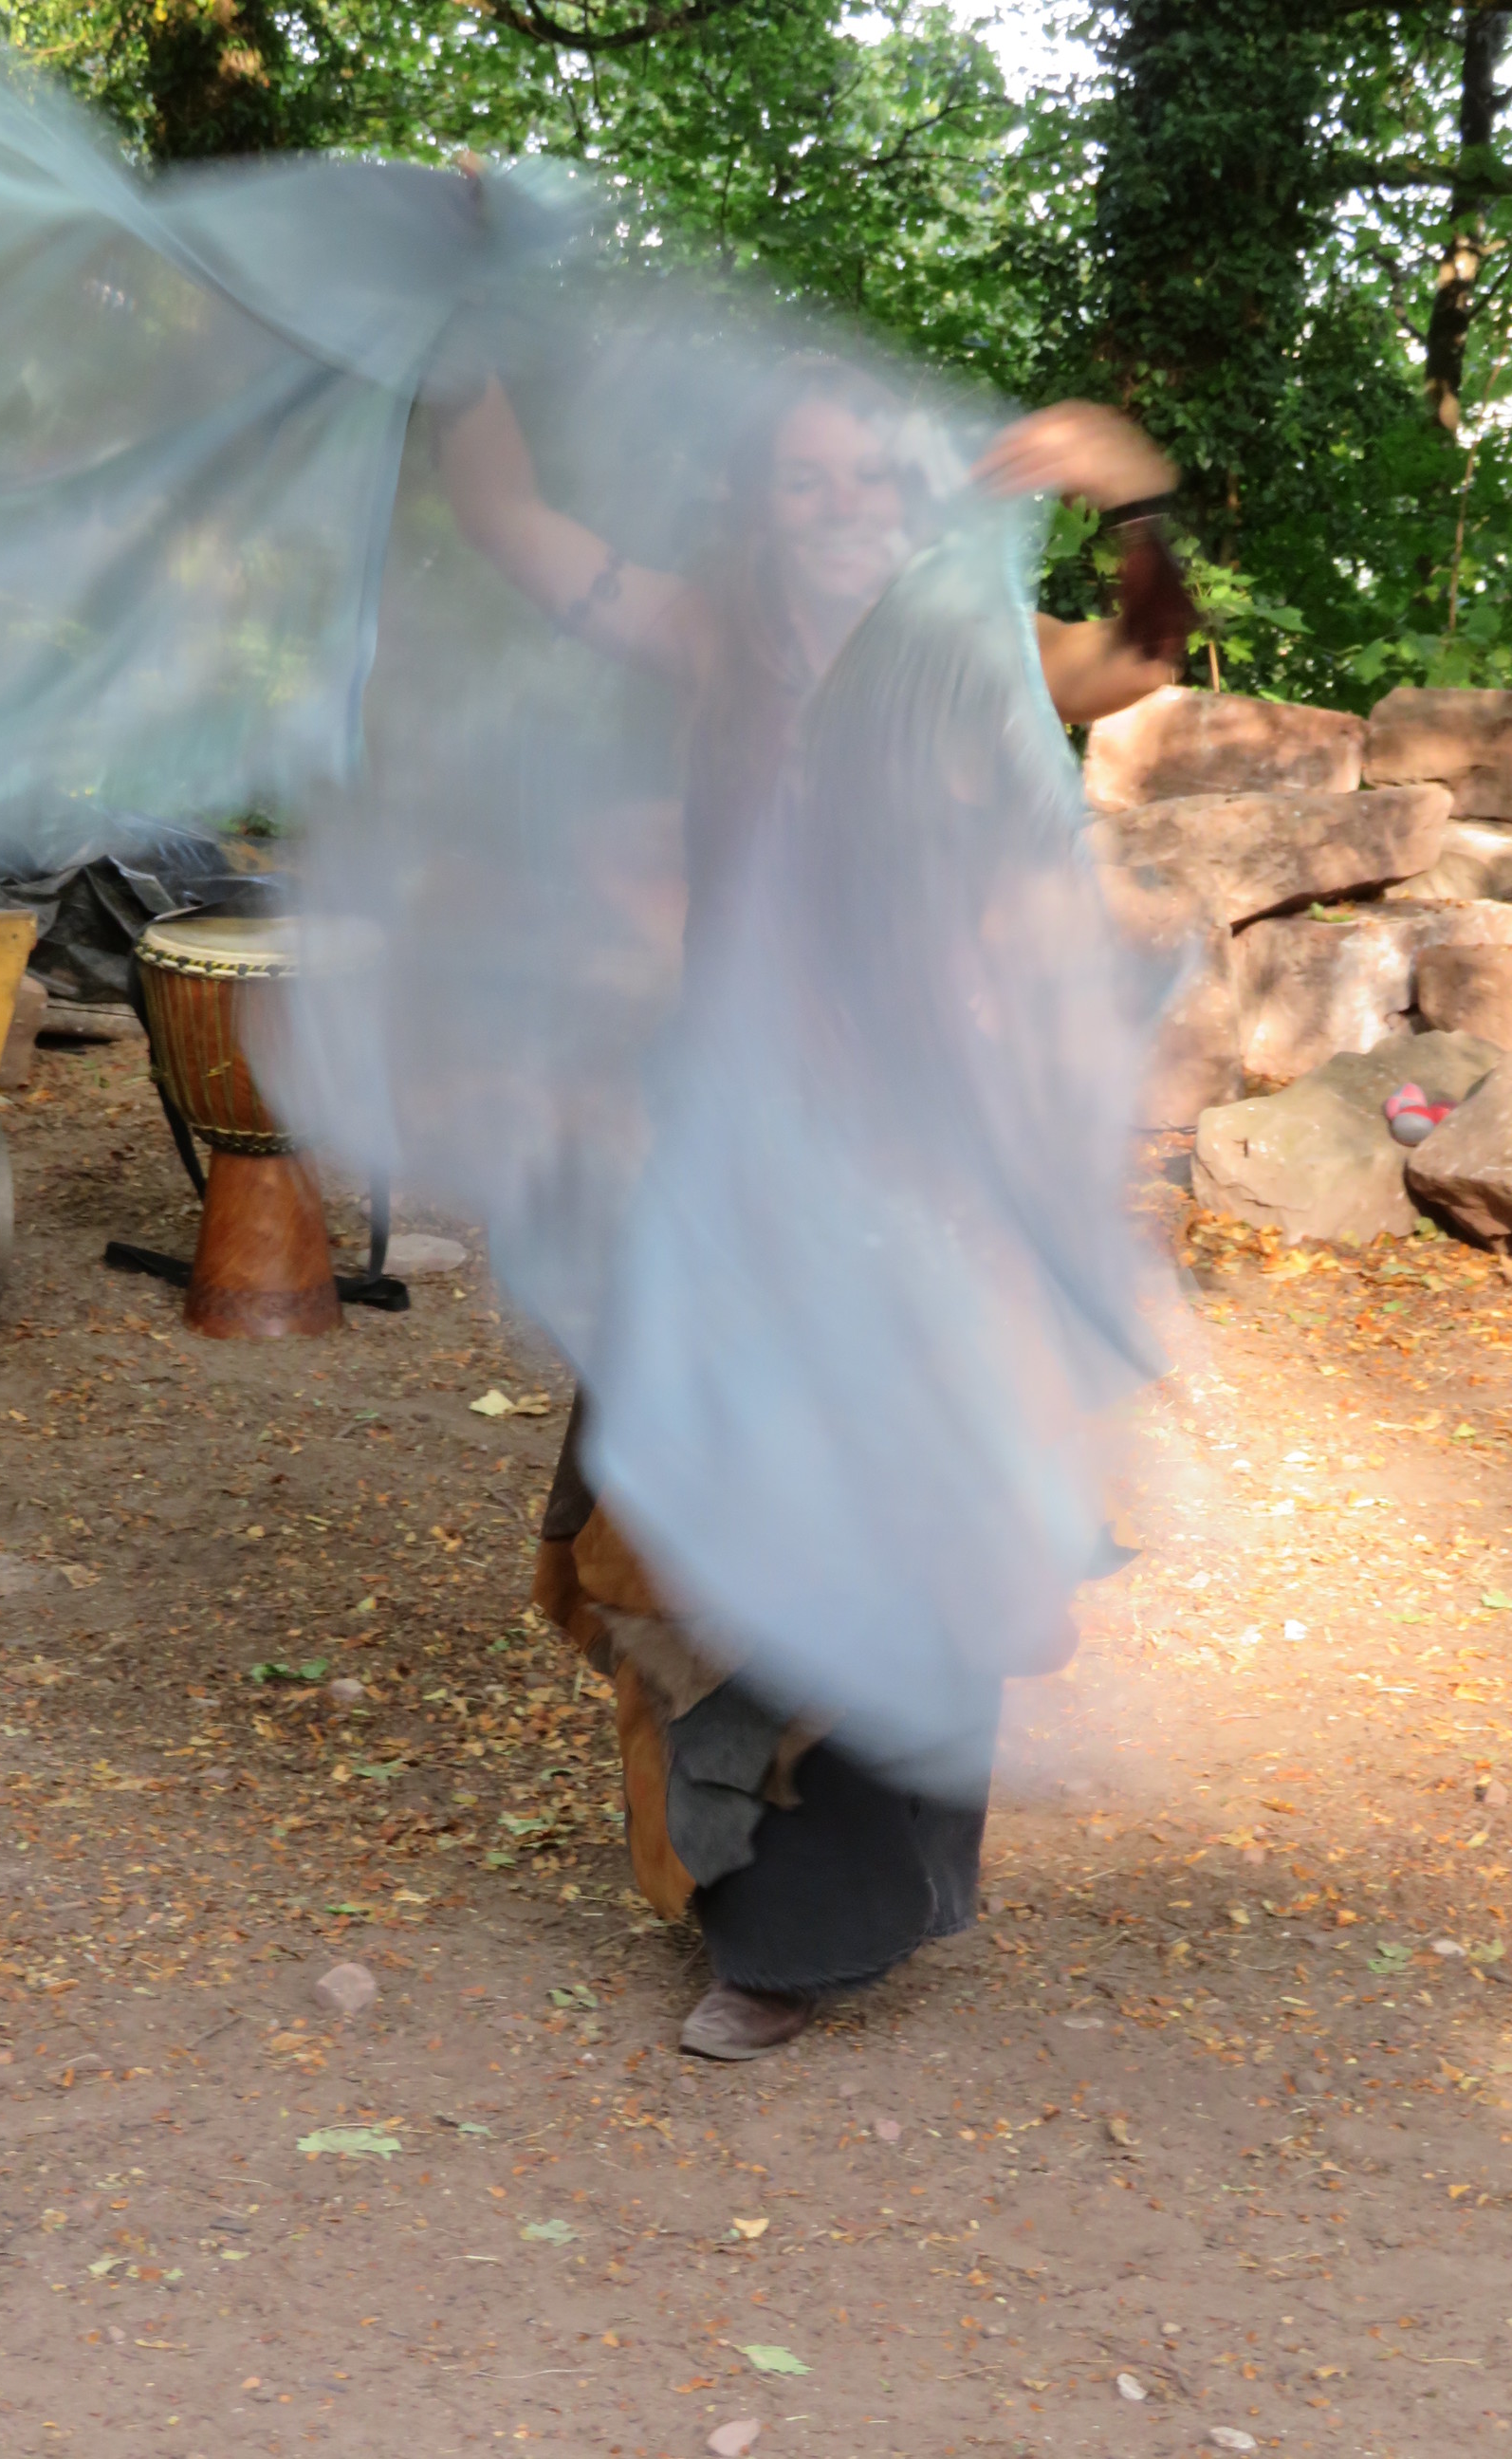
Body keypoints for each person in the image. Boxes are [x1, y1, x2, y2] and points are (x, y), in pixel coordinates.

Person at [436, 357, 1183, 2061]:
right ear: (758, 511)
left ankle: (844, 1915)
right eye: (806, 480)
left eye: (872, 480)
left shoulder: (989, 647)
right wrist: (465, 347)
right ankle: (764, 1916)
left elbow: (1142, 658)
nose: (843, 507)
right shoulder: (715, 637)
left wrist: (1132, 492)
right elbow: (511, 520)